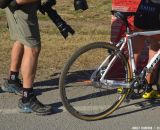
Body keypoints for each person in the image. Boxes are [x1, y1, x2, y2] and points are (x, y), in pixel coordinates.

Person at [0, 0, 53, 115]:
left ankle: (12, 81)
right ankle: (27, 98)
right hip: (22, 6)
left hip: (13, 5)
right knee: (33, 48)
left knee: (20, 39)